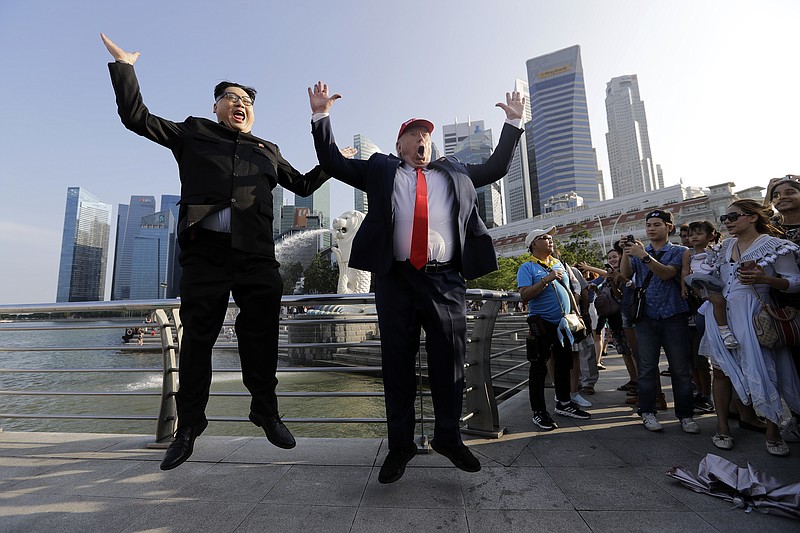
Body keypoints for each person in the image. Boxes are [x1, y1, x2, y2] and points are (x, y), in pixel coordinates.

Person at [102, 34, 332, 470]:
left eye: (246, 100)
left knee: (260, 334)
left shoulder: (268, 150)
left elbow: (302, 185)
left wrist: (332, 159)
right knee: (198, 342)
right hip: (205, 254)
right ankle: (189, 426)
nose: (240, 104)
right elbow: (136, 118)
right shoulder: (192, 133)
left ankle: (265, 410)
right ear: (216, 106)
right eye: (231, 97)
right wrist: (125, 67)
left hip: (257, 256)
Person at [308, 81, 525, 483]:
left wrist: (513, 121)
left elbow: (497, 168)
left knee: (449, 361)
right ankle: (400, 445)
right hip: (397, 280)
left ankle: (449, 437)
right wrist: (322, 116)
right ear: (400, 145)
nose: (422, 140)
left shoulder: (455, 172)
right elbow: (335, 164)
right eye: (414, 135)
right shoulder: (380, 169)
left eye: (426, 135)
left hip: (445, 281)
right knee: (397, 365)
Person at [699, 199, 800, 456]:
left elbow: (796, 282)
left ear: (753, 217)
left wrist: (765, 278)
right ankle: (722, 427)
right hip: (720, 315)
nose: (728, 221)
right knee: (720, 372)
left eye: (733, 216)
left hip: (755, 316)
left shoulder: (775, 246)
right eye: (725, 218)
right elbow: (719, 279)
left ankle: (773, 431)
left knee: (767, 370)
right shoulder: (725, 246)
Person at [620, 209, 700, 434]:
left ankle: (685, 415)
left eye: (657, 224)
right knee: (646, 368)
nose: (651, 228)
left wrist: (644, 256)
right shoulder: (639, 251)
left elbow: (666, 273)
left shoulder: (680, 251)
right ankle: (647, 411)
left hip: (674, 315)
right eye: (649, 225)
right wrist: (627, 253)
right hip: (645, 317)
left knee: (680, 369)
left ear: (669, 227)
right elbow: (625, 274)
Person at [518, 227, 592, 432]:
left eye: (551, 238)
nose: (550, 240)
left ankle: (564, 403)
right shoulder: (527, 267)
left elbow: (568, 292)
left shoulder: (558, 263)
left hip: (564, 324)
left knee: (563, 364)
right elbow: (524, 295)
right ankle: (539, 411)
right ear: (533, 244)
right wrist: (545, 280)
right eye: (544, 238)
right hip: (541, 322)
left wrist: (577, 314)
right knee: (539, 367)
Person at [765, 175, 800, 443]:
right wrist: (769, 191)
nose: (782, 197)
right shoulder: (772, 228)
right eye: (778, 195)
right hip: (783, 304)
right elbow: (757, 215)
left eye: (790, 192)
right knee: (793, 363)